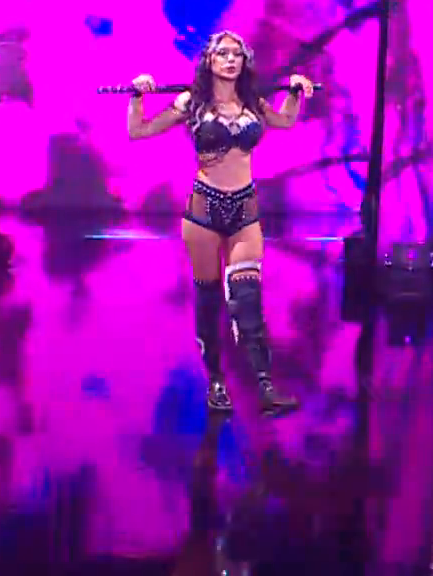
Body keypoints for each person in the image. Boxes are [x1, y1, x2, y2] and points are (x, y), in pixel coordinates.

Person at [127, 31, 314, 414]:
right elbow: (139, 130)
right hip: (204, 211)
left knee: (247, 299)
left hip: (244, 208)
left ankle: (264, 385)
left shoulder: (253, 103)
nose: (230, 60)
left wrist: (296, 91)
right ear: (209, 61)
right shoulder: (191, 102)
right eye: (222, 53)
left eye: (236, 54)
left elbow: (285, 121)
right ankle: (215, 382)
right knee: (209, 299)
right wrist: (137, 96)